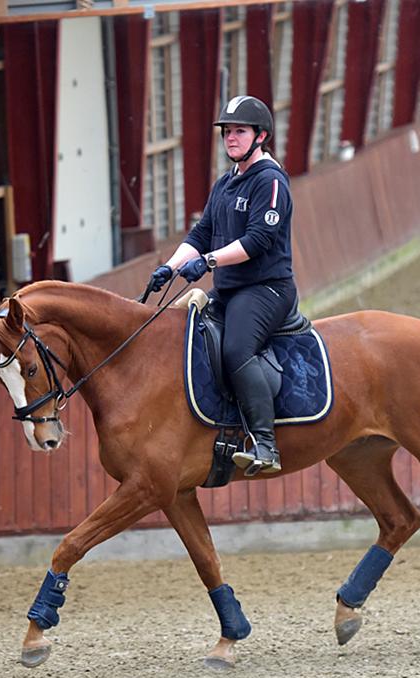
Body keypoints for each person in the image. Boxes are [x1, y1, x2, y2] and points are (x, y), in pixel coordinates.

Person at [146, 95, 297, 476]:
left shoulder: (270, 182)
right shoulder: (226, 183)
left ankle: (265, 443)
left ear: (260, 136)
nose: (231, 138)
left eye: (239, 132)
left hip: (266, 289)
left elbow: (258, 240)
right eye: (227, 132)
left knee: (235, 349)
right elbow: (203, 232)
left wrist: (208, 261)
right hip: (229, 290)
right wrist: (170, 267)